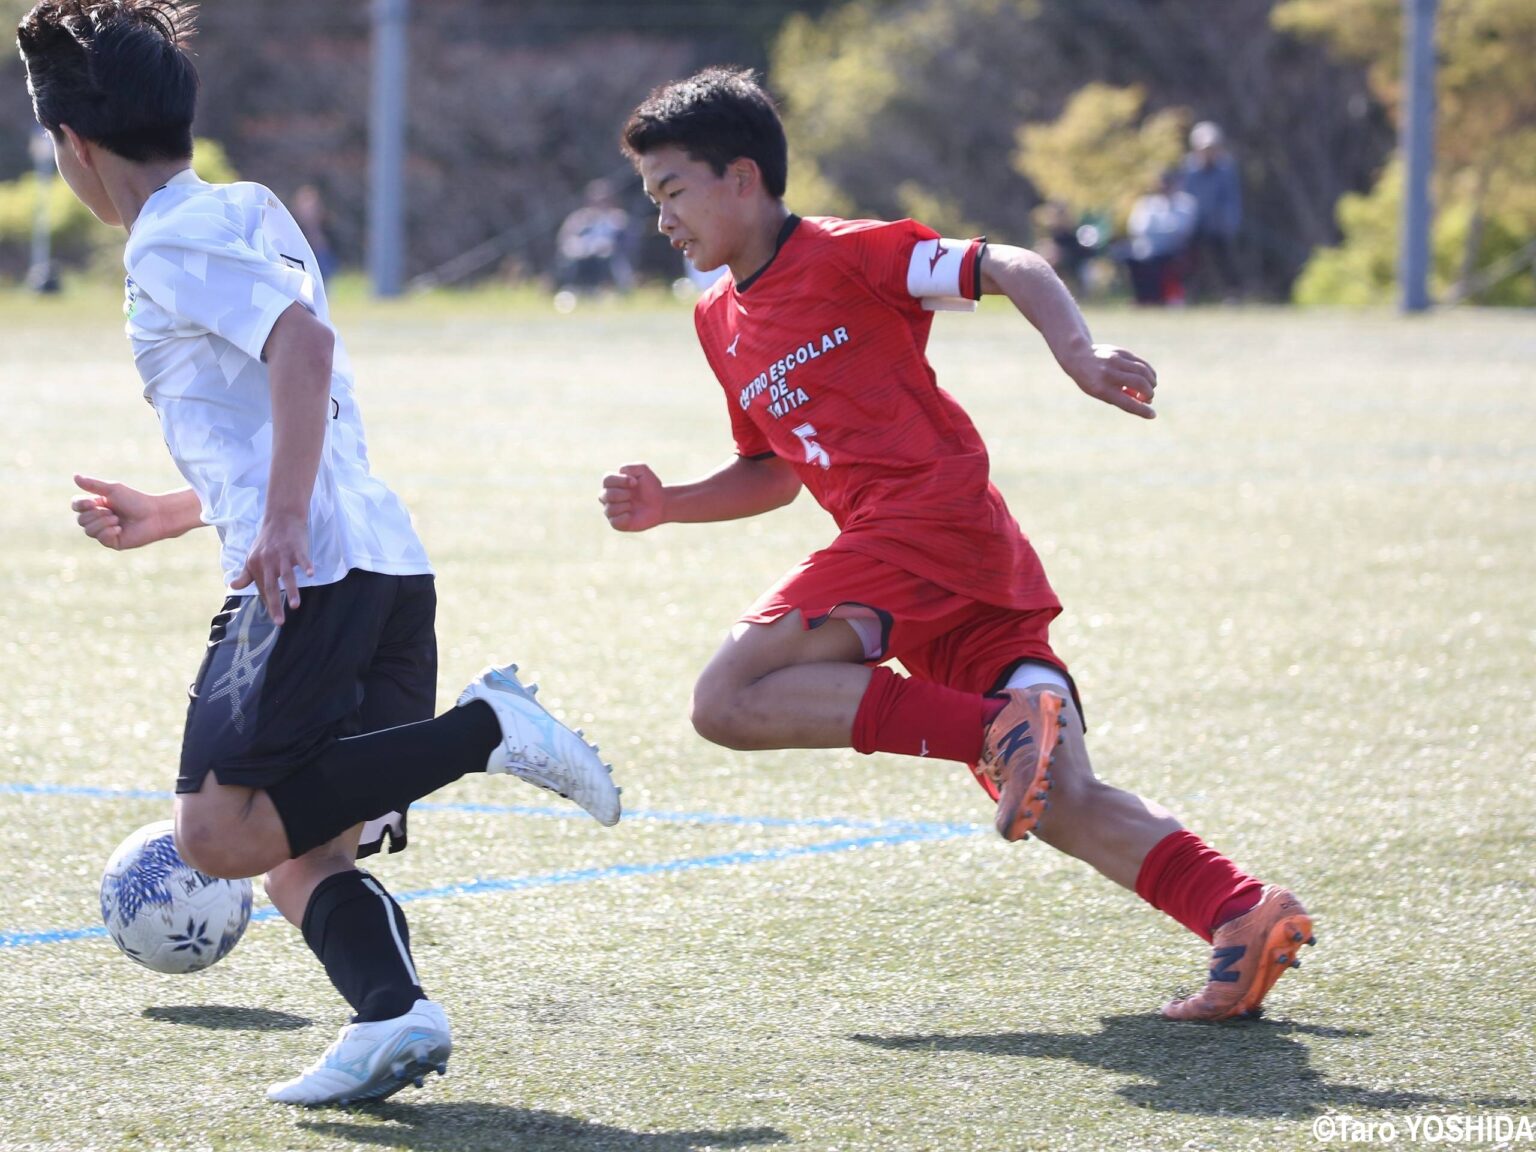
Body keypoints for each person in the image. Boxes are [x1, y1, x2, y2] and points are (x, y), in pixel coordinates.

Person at [601, 68, 1314, 1023]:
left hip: (931, 524)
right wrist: (670, 506)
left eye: (672, 192)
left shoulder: (854, 253)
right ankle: (1239, 912)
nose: (662, 221)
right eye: (651, 200)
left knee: (726, 698)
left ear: (742, 177)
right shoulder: (717, 320)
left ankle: (990, 726)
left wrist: (1079, 352)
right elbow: (774, 468)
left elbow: (1012, 264)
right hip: (942, 565)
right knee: (1059, 796)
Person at [17, 0, 620, 1107]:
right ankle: (395, 1017)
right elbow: (287, 408)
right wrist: (178, 506)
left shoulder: (164, 240)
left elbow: (305, 347)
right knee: (307, 850)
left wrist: (277, 520)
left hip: (315, 570)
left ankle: (490, 728)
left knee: (217, 828)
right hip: (384, 558)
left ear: (75, 147)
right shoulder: (248, 210)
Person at [1180, 121, 1243, 303]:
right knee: (1190, 262)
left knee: (1224, 261)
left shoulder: (1225, 169)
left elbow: (1231, 199)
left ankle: (1231, 294)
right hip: (1195, 223)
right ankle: (1188, 295)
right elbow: (1186, 196)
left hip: (1218, 224)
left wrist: (1230, 222)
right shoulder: (1190, 168)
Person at [1118, 170, 1196, 306]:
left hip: (1173, 249)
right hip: (1147, 249)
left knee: (1161, 263)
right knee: (1130, 258)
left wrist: (1161, 231)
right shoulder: (1147, 203)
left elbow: (1182, 229)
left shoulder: (1185, 203)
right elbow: (1137, 227)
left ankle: (1163, 298)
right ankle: (1143, 298)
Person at [553, 177, 634, 302]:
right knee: (572, 262)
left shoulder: (618, 218)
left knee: (606, 260)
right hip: (582, 256)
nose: (600, 204)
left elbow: (627, 242)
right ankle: (574, 290)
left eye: (604, 200)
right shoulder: (579, 218)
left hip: (607, 257)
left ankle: (608, 292)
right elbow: (565, 238)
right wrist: (578, 245)